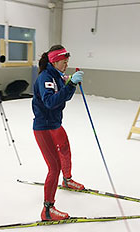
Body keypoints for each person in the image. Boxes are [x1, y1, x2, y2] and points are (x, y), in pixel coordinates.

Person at [32, 45, 84, 221]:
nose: (66, 64)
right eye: (64, 61)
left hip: (54, 123)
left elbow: (65, 96)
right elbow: (50, 102)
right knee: (54, 167)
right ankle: (47, 210)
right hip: (44, 127)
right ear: (54, 61)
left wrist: (70, 83)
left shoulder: (56, 76)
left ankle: (67, 180)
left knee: (65, 149)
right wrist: (69, 85)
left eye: (67, 61)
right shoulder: (45, 78)